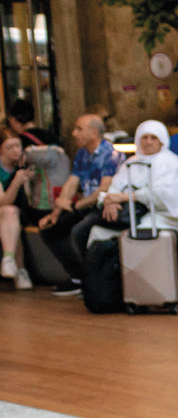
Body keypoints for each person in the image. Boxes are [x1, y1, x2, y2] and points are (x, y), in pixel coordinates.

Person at [37, 114, 124, 296]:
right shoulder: (82, 154)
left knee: (80, 231)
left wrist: (75, 205)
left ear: (93, 133)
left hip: (104, 205)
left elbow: (103, 191)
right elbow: (72, 183)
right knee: (50, 230)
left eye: (79, 129)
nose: (73, 133)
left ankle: (94, 281)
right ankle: (78, 277)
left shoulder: (112, 155)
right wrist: (56, 212)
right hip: (85, 205)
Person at [96, 120, 178, 233]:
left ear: (162, 141)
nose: (148, 142)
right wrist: (111, 201)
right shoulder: (131, 162)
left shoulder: (171, 162)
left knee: (134, 236)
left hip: (164, 217)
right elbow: (116, 185)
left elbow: (161, 194)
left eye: (153, 138)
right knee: (96, 232)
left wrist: (123, 197)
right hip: (132, 213)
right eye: (144, 137)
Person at [0, 133, 37, 289]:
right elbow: (2, 201)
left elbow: (31, 200)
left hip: (20, 212)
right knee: (9, 211)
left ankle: (10, 262)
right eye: (10, 147)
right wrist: (16, 182)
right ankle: (19, 268)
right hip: (4, 209)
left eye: (18, 146)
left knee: (12, 217)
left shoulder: (26, 164)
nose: (16, 150)